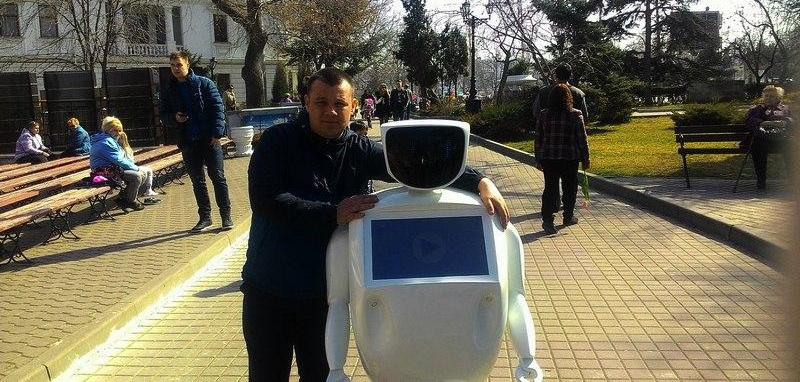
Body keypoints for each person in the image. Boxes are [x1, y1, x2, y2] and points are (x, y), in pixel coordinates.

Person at [242, 67, 510, 381]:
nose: (331, 111)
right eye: (321, 102)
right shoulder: (278, 141)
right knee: (266, 374)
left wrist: (480, 182)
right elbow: (266, 199)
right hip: (270, 288)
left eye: (339, 103)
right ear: (306, 103)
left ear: (353, 105)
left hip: (322, 292)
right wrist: (333, 213)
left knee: (319, 375)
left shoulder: (358, 149)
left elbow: (419, 165)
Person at [160, 50, 232, 232]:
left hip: (209, 140)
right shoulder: (170, 90)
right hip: (188, 141)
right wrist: (175, 118)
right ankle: (205, 217)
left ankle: (226, 216)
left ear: (187, 64)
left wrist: (217, 133)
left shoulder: (204, 83)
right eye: (172, 65)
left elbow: (218, 108)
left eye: (179, 65)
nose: (176, 68)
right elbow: (164, 115)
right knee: (197, 181)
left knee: (218, 177)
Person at [534, 84, 590, 235]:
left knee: (550, 188)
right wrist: (586, 158)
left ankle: (547, 220)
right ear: (568, 98)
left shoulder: (544, 115)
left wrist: (538, 158)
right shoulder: (575, 115)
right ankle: (568, 216)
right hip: (570, 157)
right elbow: (582, 139)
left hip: (549, 157)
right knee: (570, 187)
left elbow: (538, 138)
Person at [90, 117, 148, 211]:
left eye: (120, 130)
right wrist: (136, 168)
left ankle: (124, 198)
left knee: (142, 174)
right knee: (136, 176)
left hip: (112, 169)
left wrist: (133, 167)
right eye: (115, 130)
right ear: (107, 130)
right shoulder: (106, 142)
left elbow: (121, 158)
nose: (118, 133)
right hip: (103, 172)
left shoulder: (110, 139)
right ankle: (130, 201)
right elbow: (119, 160)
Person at [742, 85, 793, 190]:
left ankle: (793, 181)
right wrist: (761, 123)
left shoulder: (786, 109)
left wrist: (785, 122)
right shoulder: (757, 109)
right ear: (763, 97)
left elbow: (794, 120)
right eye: (766, 96)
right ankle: (761, 180)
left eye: (772, 96)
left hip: (781, 139)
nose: (768, 98)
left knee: (792, 147)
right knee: (757, 147)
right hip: (763, 139)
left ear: (778, 98)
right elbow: (748, 120)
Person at [117, 131, 160, 204]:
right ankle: (135, 194)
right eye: (121, 138)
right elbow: (125, 162)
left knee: (148, 169)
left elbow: (130, 161)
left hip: (130, 167)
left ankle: (148, 190)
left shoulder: (127, 148)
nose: (122, 140)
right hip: (127, 169)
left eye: (122, 138)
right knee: (141, 174)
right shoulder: (120, 149)